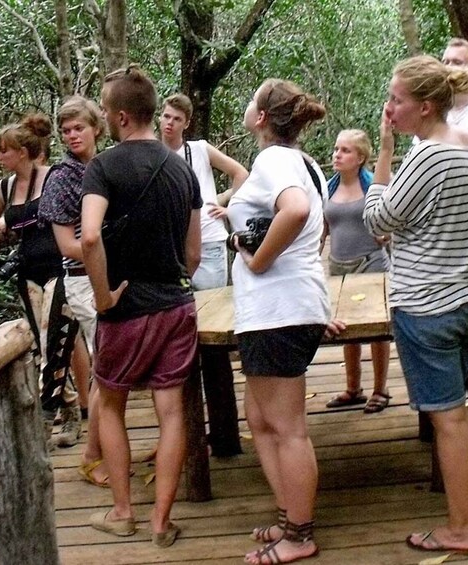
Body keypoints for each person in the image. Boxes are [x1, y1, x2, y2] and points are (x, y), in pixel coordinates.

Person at [364, 55, 468, 553]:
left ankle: (460, 529)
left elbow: (377, 220)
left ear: (425, 107)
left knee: (445, 419)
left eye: (397, 100)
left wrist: (383, 151)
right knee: (459, 411)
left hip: (428, 306)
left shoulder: (428, 156)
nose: (389, 108)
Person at [80, 65, 201, 548]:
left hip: (126, 307)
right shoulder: (182, 169)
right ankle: (161, 522)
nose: (106, 119)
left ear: (123, 116)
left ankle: (123, 511)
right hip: (176, 303)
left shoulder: (103, 167)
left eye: (107, 111)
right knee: (171, 411)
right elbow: (193, 254)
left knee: (110, 404)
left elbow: (89, 236)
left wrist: (105, 294)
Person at [228, 78, 329, 565]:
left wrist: (260, 260)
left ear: (263, 117)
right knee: (260, 418)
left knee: (287, 426)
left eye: (252, 100)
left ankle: (300, 534)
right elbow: (315, 225)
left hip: (278, 310)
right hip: (284, 307)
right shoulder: (304, 162)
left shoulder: (273, 160)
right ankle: (292, 513)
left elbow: (298, 210)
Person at [0, 114, 82, 448]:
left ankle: (44, 419)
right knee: (41, 347)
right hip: (28, 273)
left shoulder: (53, 178)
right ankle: (70, 411)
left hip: (60, 268)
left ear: (22, 152)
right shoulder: (5, 187)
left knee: (54, 343)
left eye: (3, 151)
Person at [37, 95, 111, 484]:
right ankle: (93, 457)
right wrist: (109, 251)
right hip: (83, 281)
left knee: (115, 369)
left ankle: (107, 451)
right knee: (107, 370)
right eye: (65, 131)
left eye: (78, 128)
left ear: (97, 128)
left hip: (117, 276)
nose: (72, 136)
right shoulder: (62, 179)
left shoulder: (108, 165)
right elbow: (67, 246)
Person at [322, 129, 392, 414]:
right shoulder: (328, 187)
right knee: (345, 326)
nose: (337, 155)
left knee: (377, 330)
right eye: (337, 149)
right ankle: (353, 387)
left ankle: (381, 389)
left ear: (361, 157)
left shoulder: (372, 186)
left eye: (345, 150)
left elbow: (388, 221)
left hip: (370, 263)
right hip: (339, 265)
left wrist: (384, 236)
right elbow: (323, 229)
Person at [160, 93, 249, 290]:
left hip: (209, 242)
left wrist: (230, 209)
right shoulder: (154, 155)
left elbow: (240, 173)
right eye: (166, 116)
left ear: (186, 124)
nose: (170, 123)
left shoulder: (200, 149)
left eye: (177, 119)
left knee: (211, 308)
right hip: (172, 247)